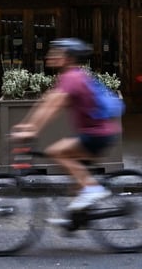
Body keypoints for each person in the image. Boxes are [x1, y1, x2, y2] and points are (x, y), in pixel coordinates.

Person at [10, 38, 121, 217]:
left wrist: (31, 130)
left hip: (97, 133)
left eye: (56, 53)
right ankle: (74, 218)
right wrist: (28, 125)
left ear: (69, 58)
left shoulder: (72, 78)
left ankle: (93, 189)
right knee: (75, 177)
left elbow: (52, 108)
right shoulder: (71, 76)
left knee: (57, 152)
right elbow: (46, 104)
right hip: (100, 131)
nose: (50, 56)